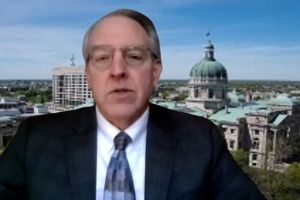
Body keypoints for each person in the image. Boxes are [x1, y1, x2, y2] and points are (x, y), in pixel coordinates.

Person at [0, 8, 266, 200]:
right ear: (88, 74)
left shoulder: (201, 138)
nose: (118, 70)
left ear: (155, 71)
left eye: (135, 56)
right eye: (102, 58)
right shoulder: (36, 137)